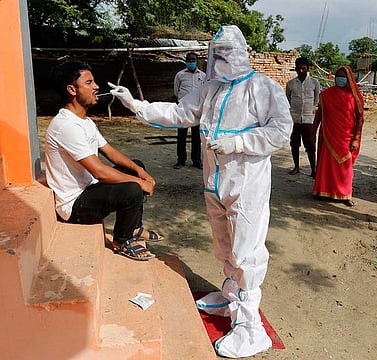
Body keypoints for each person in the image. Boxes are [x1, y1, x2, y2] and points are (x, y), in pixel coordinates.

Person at [109, 25, 293, 358]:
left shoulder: (262, 88)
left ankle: (251, 328)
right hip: (215, 182)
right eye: (216, 54)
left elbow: (281, 131)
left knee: (246, 251)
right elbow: (181, 113)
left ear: (240, 54)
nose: (219, 60)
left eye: (225, 54)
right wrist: (137, 104)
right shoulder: (211, 89)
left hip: (246, 184)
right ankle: (229, 294)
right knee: (224, 244)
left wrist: (239, 142)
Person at [45, 60, 162, 261]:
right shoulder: (66, 125)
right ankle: (121, 240)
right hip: (74, 205)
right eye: (89, 83)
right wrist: (140, 183)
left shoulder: (85, 122)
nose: (96, 87)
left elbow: (109, 151)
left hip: (90, 189)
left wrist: (140, 172)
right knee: (131, 188)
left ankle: (134, 227)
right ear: (72, 89)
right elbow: (99, 171)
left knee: (135, 167)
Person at [312, 65, 364, 207]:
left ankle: (346, 194)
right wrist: (313, 130)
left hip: (346, 137)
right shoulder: (326, 95)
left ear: (349, 79)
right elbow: (319, 114)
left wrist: (356, 138)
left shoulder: (354, 97)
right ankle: (323, 191)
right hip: (329, 135)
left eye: (343, 77)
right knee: (326, 165)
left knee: (345, 167)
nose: (339, 79)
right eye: (337, 76)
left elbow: (360, 118)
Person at [286, 57, 321, 177]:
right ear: (295, 69)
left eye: (303, 68)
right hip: (294, 119)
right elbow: (288, 99)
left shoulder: (314, 83)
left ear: (307, 68)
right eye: (298, 68)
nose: (301, 71)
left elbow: (316, 100)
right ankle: (296, 167)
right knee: (294, 144)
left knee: (310, 146)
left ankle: (313, 169)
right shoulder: (290, 84)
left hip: (308, 120)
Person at [173, 52, 206, 169]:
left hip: (197, 110)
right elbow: (176, 92)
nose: (191, 62)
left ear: (197, 61)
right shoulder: (180, 75)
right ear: (186, 61)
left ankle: (196, 160)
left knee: (197, 136)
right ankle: (181, 160)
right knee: (181, 135)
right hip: (183, 110)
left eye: (193, 60)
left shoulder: (203, 76)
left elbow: (204, 92)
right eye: (189, 60)